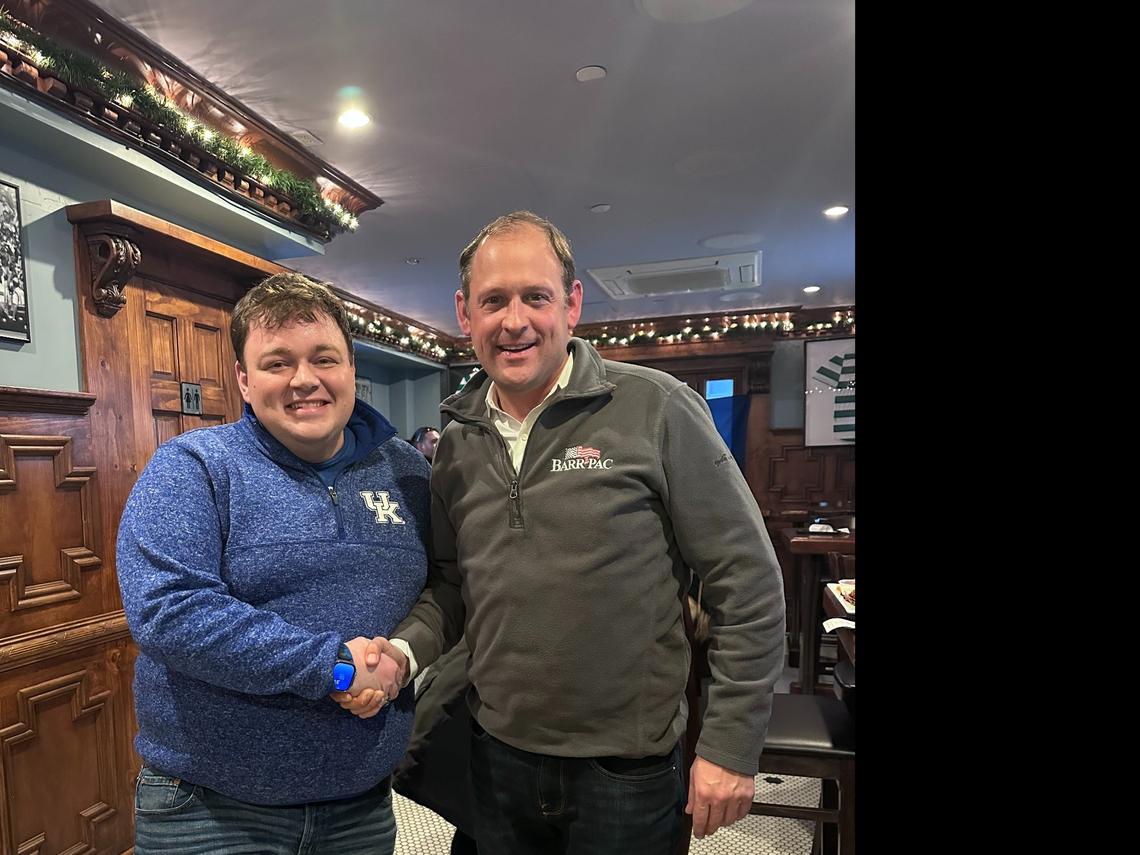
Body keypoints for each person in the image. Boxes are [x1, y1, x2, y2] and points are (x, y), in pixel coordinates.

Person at [345, 211, 786, 853]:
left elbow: (748, 585)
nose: (514, 320)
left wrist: (730, 744)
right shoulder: (457, 444)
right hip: (493, 758)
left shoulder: (656, 408)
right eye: (494, 300)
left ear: (572, 305)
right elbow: (450, 589)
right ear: (465, 314)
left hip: (626, 772)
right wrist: (404, 654)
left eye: (536, 297)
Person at [116, 273, 430, 854]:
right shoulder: (192, 467)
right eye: (277, 362)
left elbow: (442, 590)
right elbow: (168, 612)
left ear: (351, 367)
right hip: (210, 810)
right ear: (243, 377)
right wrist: (333, 666)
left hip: (361, 804)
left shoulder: (408, 471)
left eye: (323, 359)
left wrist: (401, 660)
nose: (304, 380)